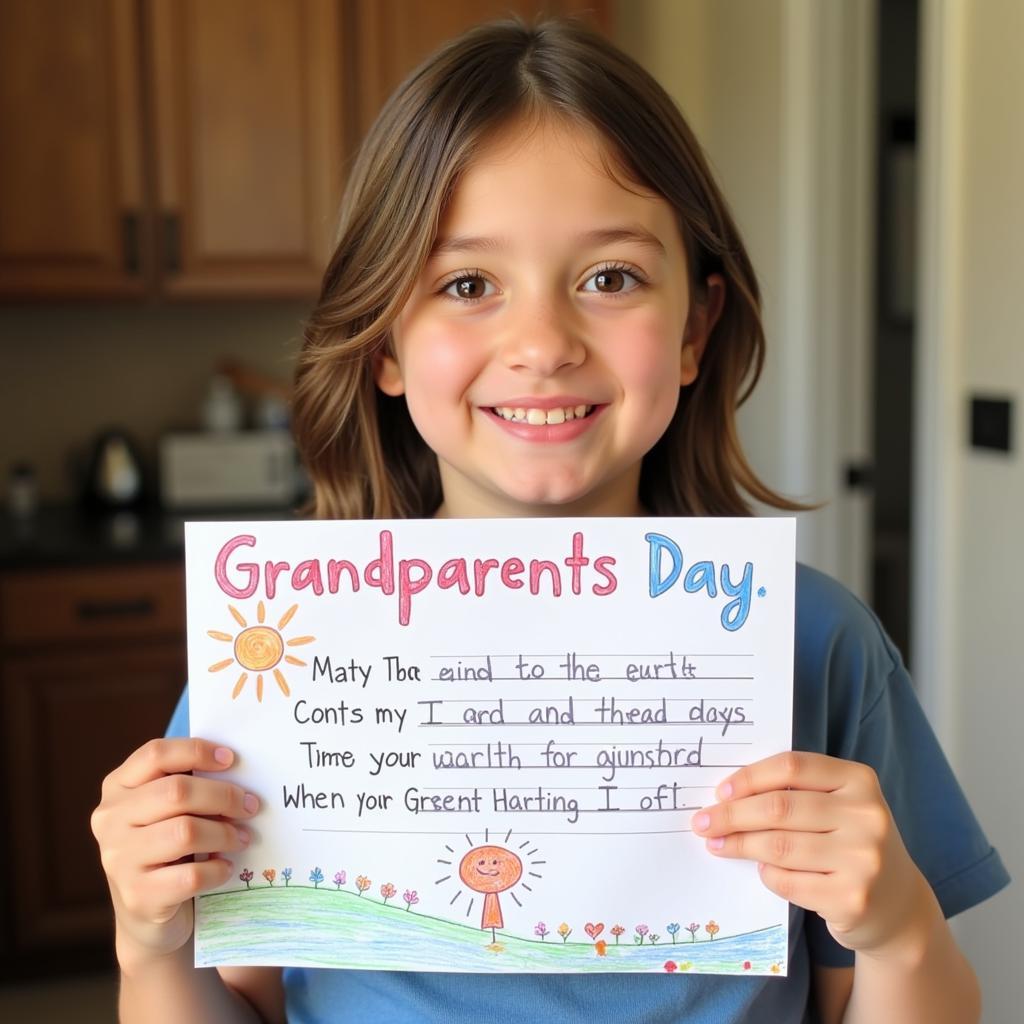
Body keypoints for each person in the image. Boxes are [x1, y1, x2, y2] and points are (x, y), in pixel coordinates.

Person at [91, 17, 1008, 1024]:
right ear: (385, 342)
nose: (540, 343)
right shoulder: (281, 652)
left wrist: (900, 928)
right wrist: (154, 949)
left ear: (696, 328)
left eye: (609, 278)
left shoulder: (816, 644)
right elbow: (242, 1005)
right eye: (466, 283)